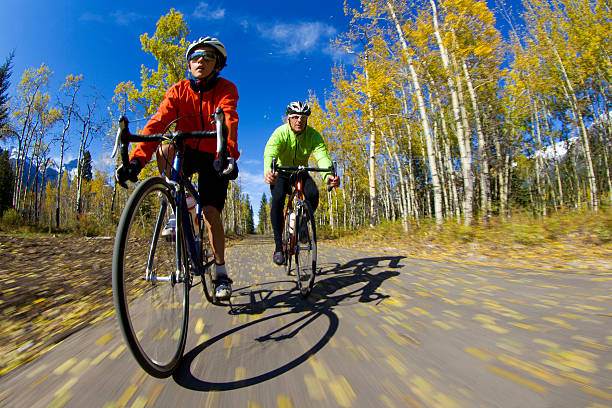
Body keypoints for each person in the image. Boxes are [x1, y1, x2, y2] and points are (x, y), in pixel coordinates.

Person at [115, 36, 239, 300]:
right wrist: (137, 160)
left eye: (208, 56)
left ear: (218, 64)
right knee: (163, 147)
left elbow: (228, 121)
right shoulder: (178, 90)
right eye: (195, 57)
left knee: (210, 213)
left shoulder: (226, 88)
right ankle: (179, 202)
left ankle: (220, 272)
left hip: (213, 153)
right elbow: (157, 123)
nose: (200, 61)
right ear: (189, 63)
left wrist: (227, 155)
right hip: (188, 150)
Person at [263, 101, 340, 265]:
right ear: (288, 118)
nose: (299, 120)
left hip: (300, 171)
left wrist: (328, 176)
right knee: (277, 200)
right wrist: (269, 172)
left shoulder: (313, 135)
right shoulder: (280, 133)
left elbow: (322, 156)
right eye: (295, 117)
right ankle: (278, 246)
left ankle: (302, 221)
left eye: (303, 117)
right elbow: (270, 152)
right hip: (282, 172)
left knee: (313, 194)